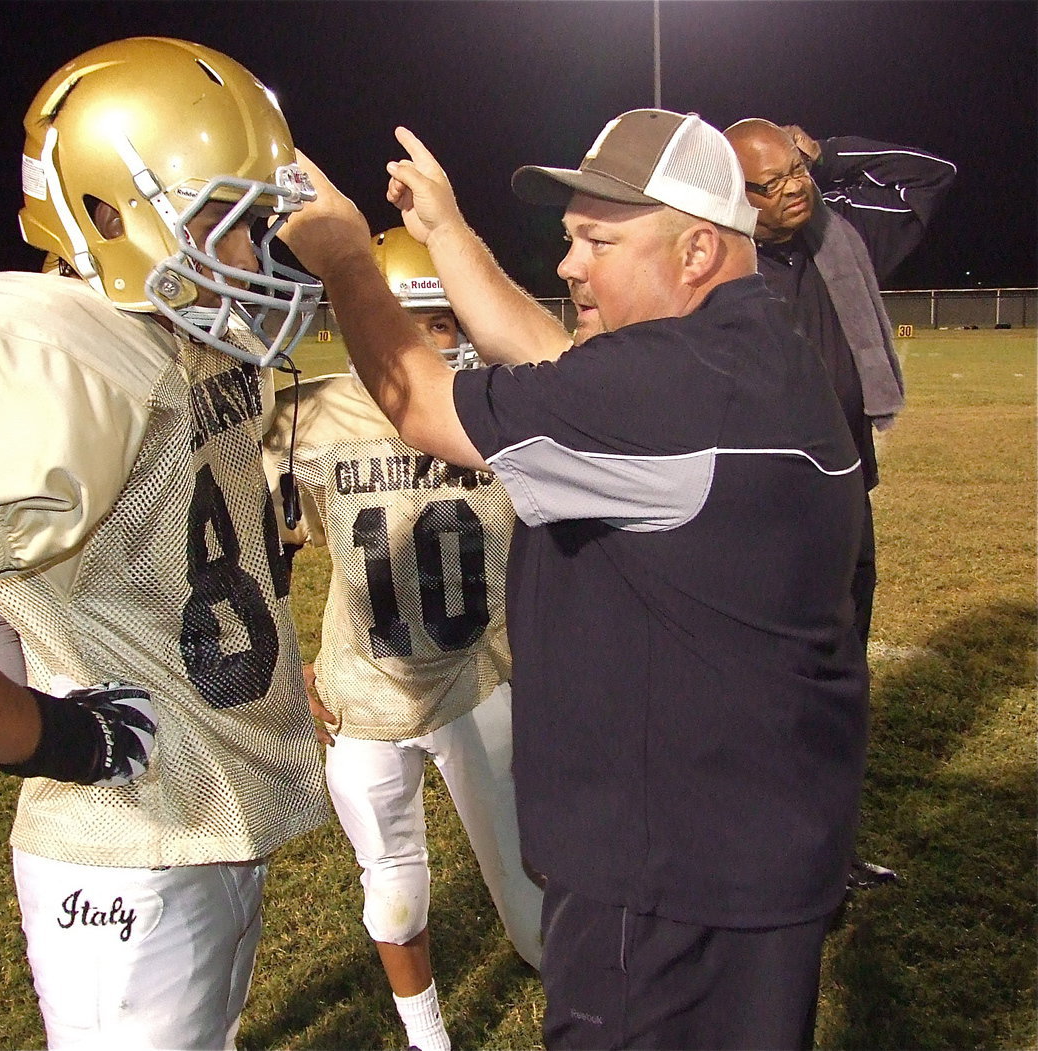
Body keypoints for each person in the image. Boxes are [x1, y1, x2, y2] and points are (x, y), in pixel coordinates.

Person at [277, 109, 871, 1049]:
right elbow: (559, 362)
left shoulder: (668, 392)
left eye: (598, 240)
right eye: (568, 239)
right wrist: (446, 232)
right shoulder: (751, 348)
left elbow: (426, 407)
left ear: (697, 251)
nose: (569, 265)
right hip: (756, 839)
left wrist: (348, 258)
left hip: (668, 876)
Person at [0, 37, 329, 1050]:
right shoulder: (54, 348)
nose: (246, 260)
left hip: (207, 806)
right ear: (106, 213)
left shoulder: (173, 328)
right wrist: (63, 737)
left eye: (252, 226)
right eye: (215, 224)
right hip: (126, 846)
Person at [262, 227, 543, 1051]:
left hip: (479, 679)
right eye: (406, 321)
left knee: (531, 913)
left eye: (443, 323)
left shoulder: (503, 400)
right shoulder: (305, 417)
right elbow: (268, 551)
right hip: (371, 688)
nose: (425, 344)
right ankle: (426, 1036)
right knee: (392, 885)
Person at [723, 119, 956, 890]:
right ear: (731, 192)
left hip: (847, 494)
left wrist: (826, 149)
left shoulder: (840, 238)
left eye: (798, 172)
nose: (794, 190)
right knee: (761, 685)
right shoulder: (710, 262)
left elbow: (930, 171)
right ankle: (757, 850)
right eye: (771, 182)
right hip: (754, 512)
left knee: (841, 679)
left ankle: (829, 850)